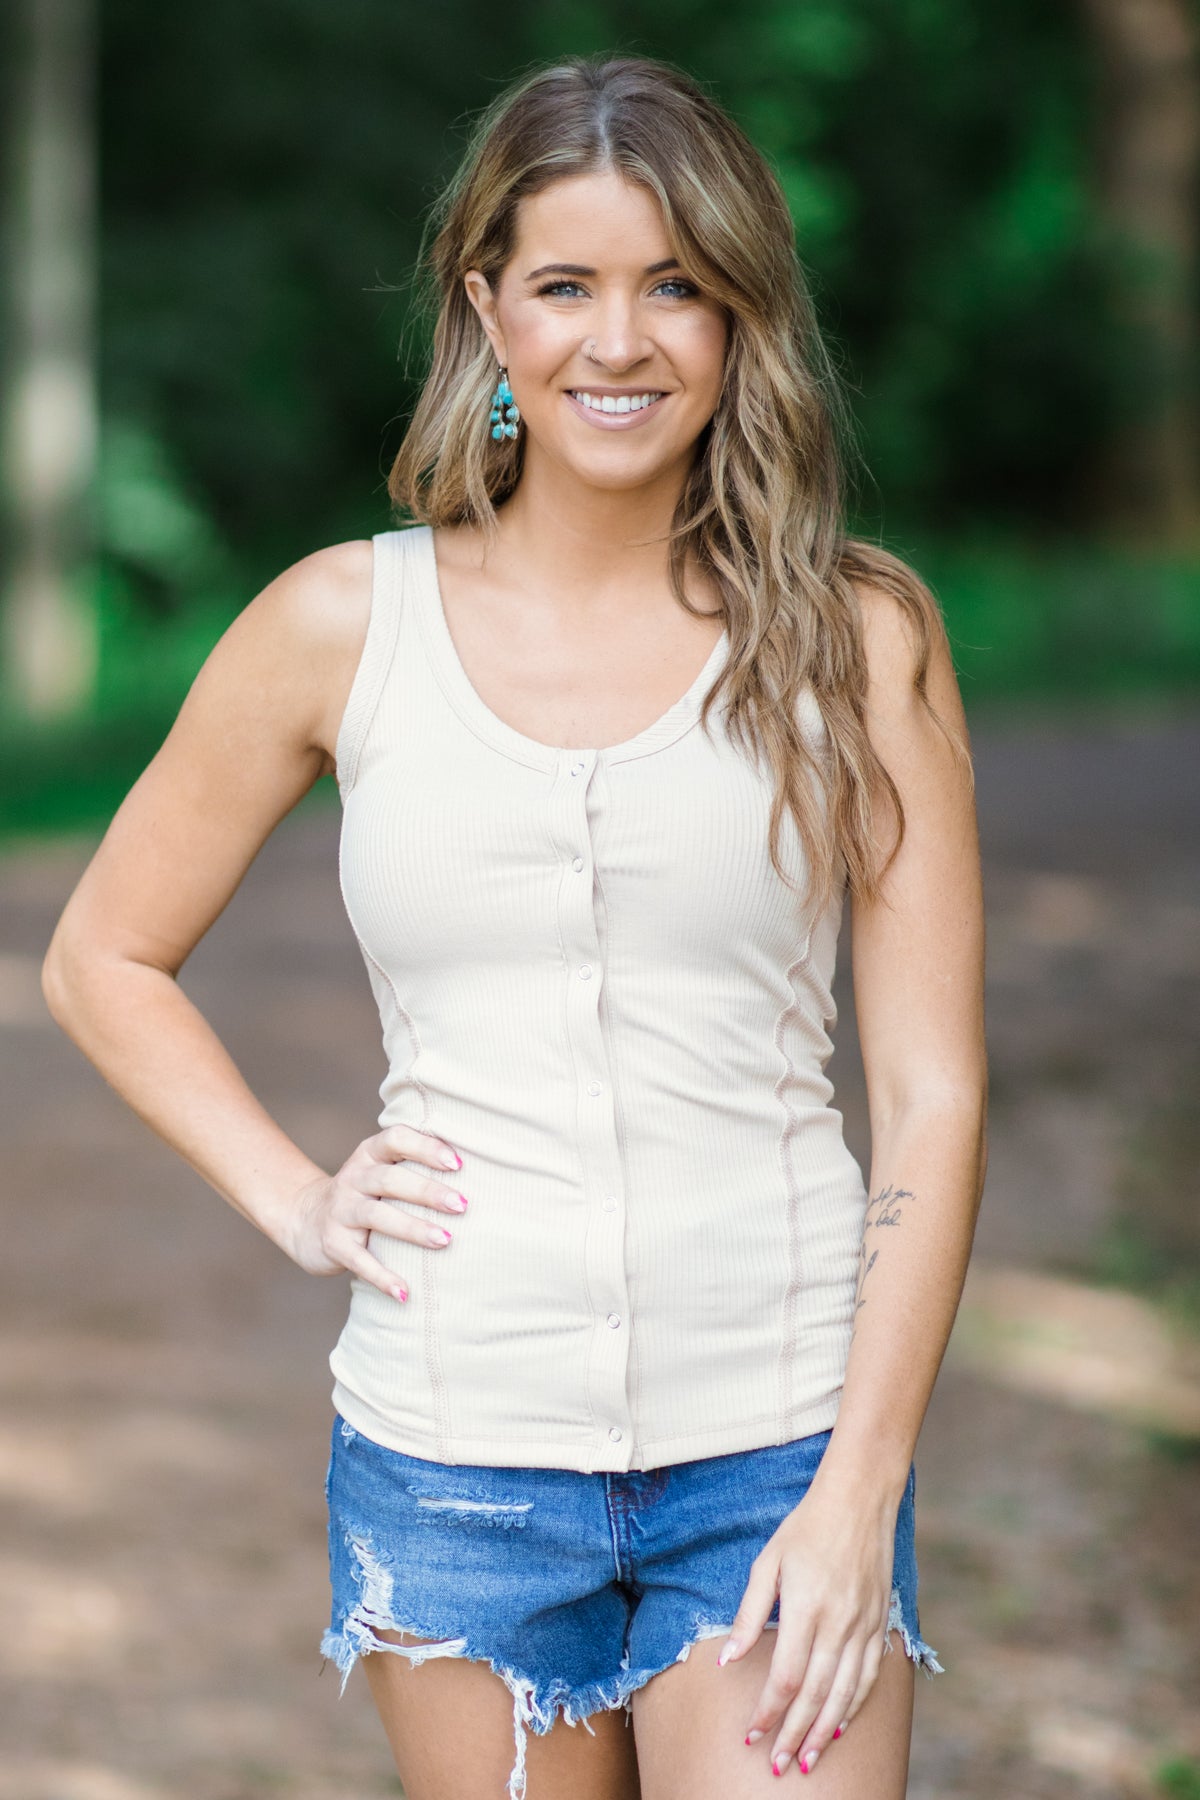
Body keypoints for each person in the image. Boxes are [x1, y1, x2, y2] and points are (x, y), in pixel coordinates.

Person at [42, 50, 987, 1800]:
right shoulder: (343, 626)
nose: (617, 343)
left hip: (776, 1440)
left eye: (676, 288)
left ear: (740, 318)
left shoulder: (857, 639)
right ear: (488, 307)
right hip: (454, 1460)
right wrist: (299, 1197)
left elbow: (935, 1095)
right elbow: (101, 956)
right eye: (566, 285)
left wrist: (860, 1493)